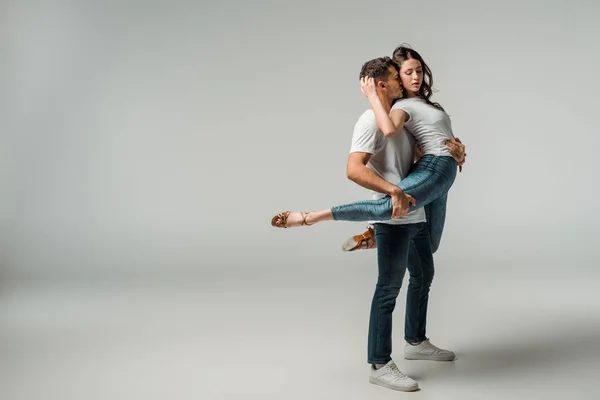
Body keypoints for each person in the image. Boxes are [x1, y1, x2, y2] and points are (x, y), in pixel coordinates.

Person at [285, 55, 459, 392]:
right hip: (393, 214)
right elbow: (354, 169)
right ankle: (379, 363)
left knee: (424, 274)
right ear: (381, 85)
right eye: (397, 76)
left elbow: (424, 159)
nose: (403, 80)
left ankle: (416, 341)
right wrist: (392, 190)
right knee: (388, 289)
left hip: (415, 210)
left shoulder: (401, 118)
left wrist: (455, 151)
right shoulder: (369, 120)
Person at [270, 46, 465, 256]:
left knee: (430, 245)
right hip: (436, 167)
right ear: (397, 77)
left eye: (419, 70)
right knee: (387, 206)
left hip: (443, 168)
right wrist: (373, 96)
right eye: (408, 73)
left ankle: (378, 238)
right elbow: (389, 131)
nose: (416, 77)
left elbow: (417, 148)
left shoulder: (423, 104)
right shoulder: (401, 107)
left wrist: (458, 152)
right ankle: (309, 217)